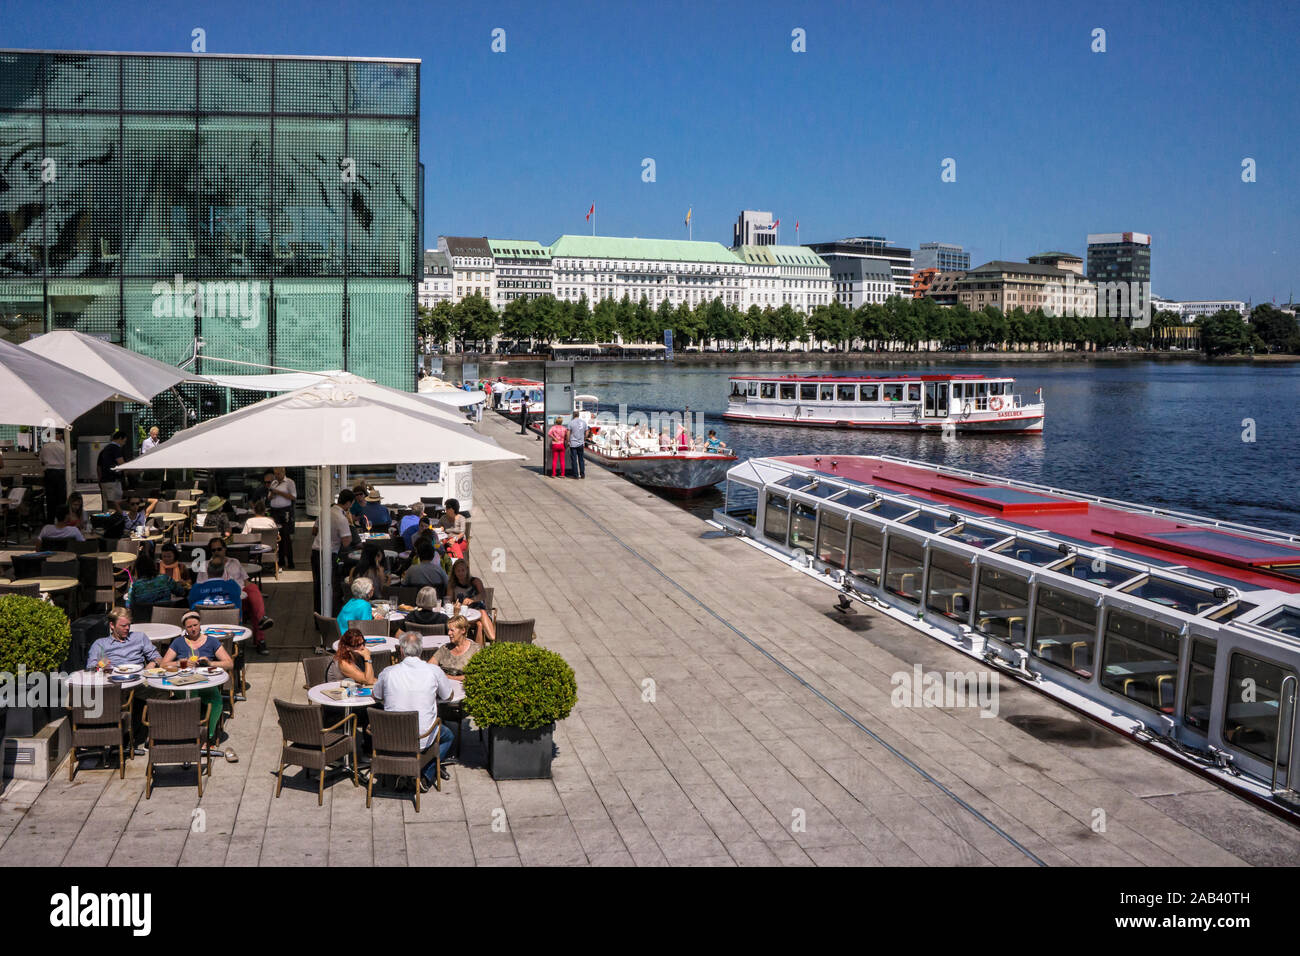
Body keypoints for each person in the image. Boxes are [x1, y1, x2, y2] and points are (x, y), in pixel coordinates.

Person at [371, 633, 455, 786]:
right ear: (420, 650)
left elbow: (376, 696)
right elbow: (448, 696)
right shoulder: (434, 671)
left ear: (401, 651)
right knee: (448, 736)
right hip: (422, 738)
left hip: (391, 739)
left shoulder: (388, 672)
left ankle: (404, 772)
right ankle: (426, 774)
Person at [160, 610, 235, 752]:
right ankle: (192, 736)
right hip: (183, 682)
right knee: (192, 696)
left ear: (200, 625)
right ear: (185, 628)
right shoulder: (179, 642)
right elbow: (164, 664)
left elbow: (229, 663)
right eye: (189, 627)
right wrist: (179, 663)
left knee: (216, 700)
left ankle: (207, 736)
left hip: (205, 681)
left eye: (195, 625)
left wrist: (210, 663)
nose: (193, 629)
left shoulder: (211, 641)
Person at [196, 537, 273, 654]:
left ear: (225, 549)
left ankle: (261, 626)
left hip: (242, 597)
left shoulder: (235, 562)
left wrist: (250, 591)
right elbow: (200, 587)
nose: (216, 552)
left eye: (219, 549)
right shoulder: (205, 565)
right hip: (220, 600)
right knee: (255, 606)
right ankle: (260, 627)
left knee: (253, 589)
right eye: (213, 550)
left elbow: (246, 582)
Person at [311, 489, 354, 616]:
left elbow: (314, 531)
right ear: (348, 503)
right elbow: (346, 542)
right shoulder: (341, 518)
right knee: (330, 586)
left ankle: (318, 616)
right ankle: (329, 615)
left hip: (315, 552)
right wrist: (350, 524)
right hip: (329, 554)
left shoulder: (325, 511)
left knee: (318, 586)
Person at [86, 607, 161, 669]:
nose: (127, 628)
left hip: (138, 678)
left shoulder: (140, 637)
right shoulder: (100, 644)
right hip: (113, 679)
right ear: (112, 625)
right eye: (123, 626)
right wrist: (102, 665)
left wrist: (154, 663)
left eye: (129, 625)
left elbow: (157, 657)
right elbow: (90, 667)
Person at [447, 558, 497, 643]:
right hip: (462, 615)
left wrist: (472, 599)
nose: (461, 573)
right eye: (458, 571)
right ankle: (480, 650)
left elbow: (483, 594)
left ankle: (490, 639)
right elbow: (449, 601)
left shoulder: (475, 581)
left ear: (467, 570)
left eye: (463, 570)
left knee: (481, 614)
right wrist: (456, 605)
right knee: (479, 624)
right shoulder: (452, 585)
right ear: (454, 572)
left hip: (478, 612)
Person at [267, 467, 297, 570]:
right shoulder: (274, 483)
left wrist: (278, 492)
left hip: (285, 511)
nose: (277, 476)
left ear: (283, 472)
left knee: (286, 536)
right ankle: (281, 560)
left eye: (278, 474)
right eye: (275, 474)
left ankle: (290, 561)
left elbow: (293, 497)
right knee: (277, 536)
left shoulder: (289, 482)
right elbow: (269, 498)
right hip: (274, 511)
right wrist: (272, 493)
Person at [432, 614, 478, 680]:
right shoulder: (445, 648)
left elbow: (476, 675)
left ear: (463, 630)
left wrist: (450, 678)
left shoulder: (475, 650)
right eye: (448, 630)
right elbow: (429, 667)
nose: (448, 633)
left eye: (452, 630)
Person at [39, 430, 67, 523]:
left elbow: (42, 460)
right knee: (61, 498)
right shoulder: (64, 447)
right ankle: (61, 520)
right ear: (59, 435)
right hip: (61, 473)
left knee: (50, 498)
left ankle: (50, 521)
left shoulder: (45, 447)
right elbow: (71, 461)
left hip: (49, 473)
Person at [96, 430, 128, 506]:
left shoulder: (104, 449)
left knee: (106, 504)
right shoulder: (116, 448)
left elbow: (98, 467)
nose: (124, 443)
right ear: (120, 438)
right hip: (113, 481)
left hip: (105, 481)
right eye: (124, 441)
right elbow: (122, 464)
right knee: (115, 505)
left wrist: (100, 479)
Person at [567, 409, 589, 479]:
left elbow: (568, 433)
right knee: (581, 459)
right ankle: (582, 474)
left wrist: (568, 441)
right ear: (579, 415)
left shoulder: (571, 423)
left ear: (573, 415)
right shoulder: (584, 422)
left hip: (573, 443)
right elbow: (587, 431)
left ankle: (576, 475)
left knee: (574, 459)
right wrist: (584, 438)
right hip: (581, 443)